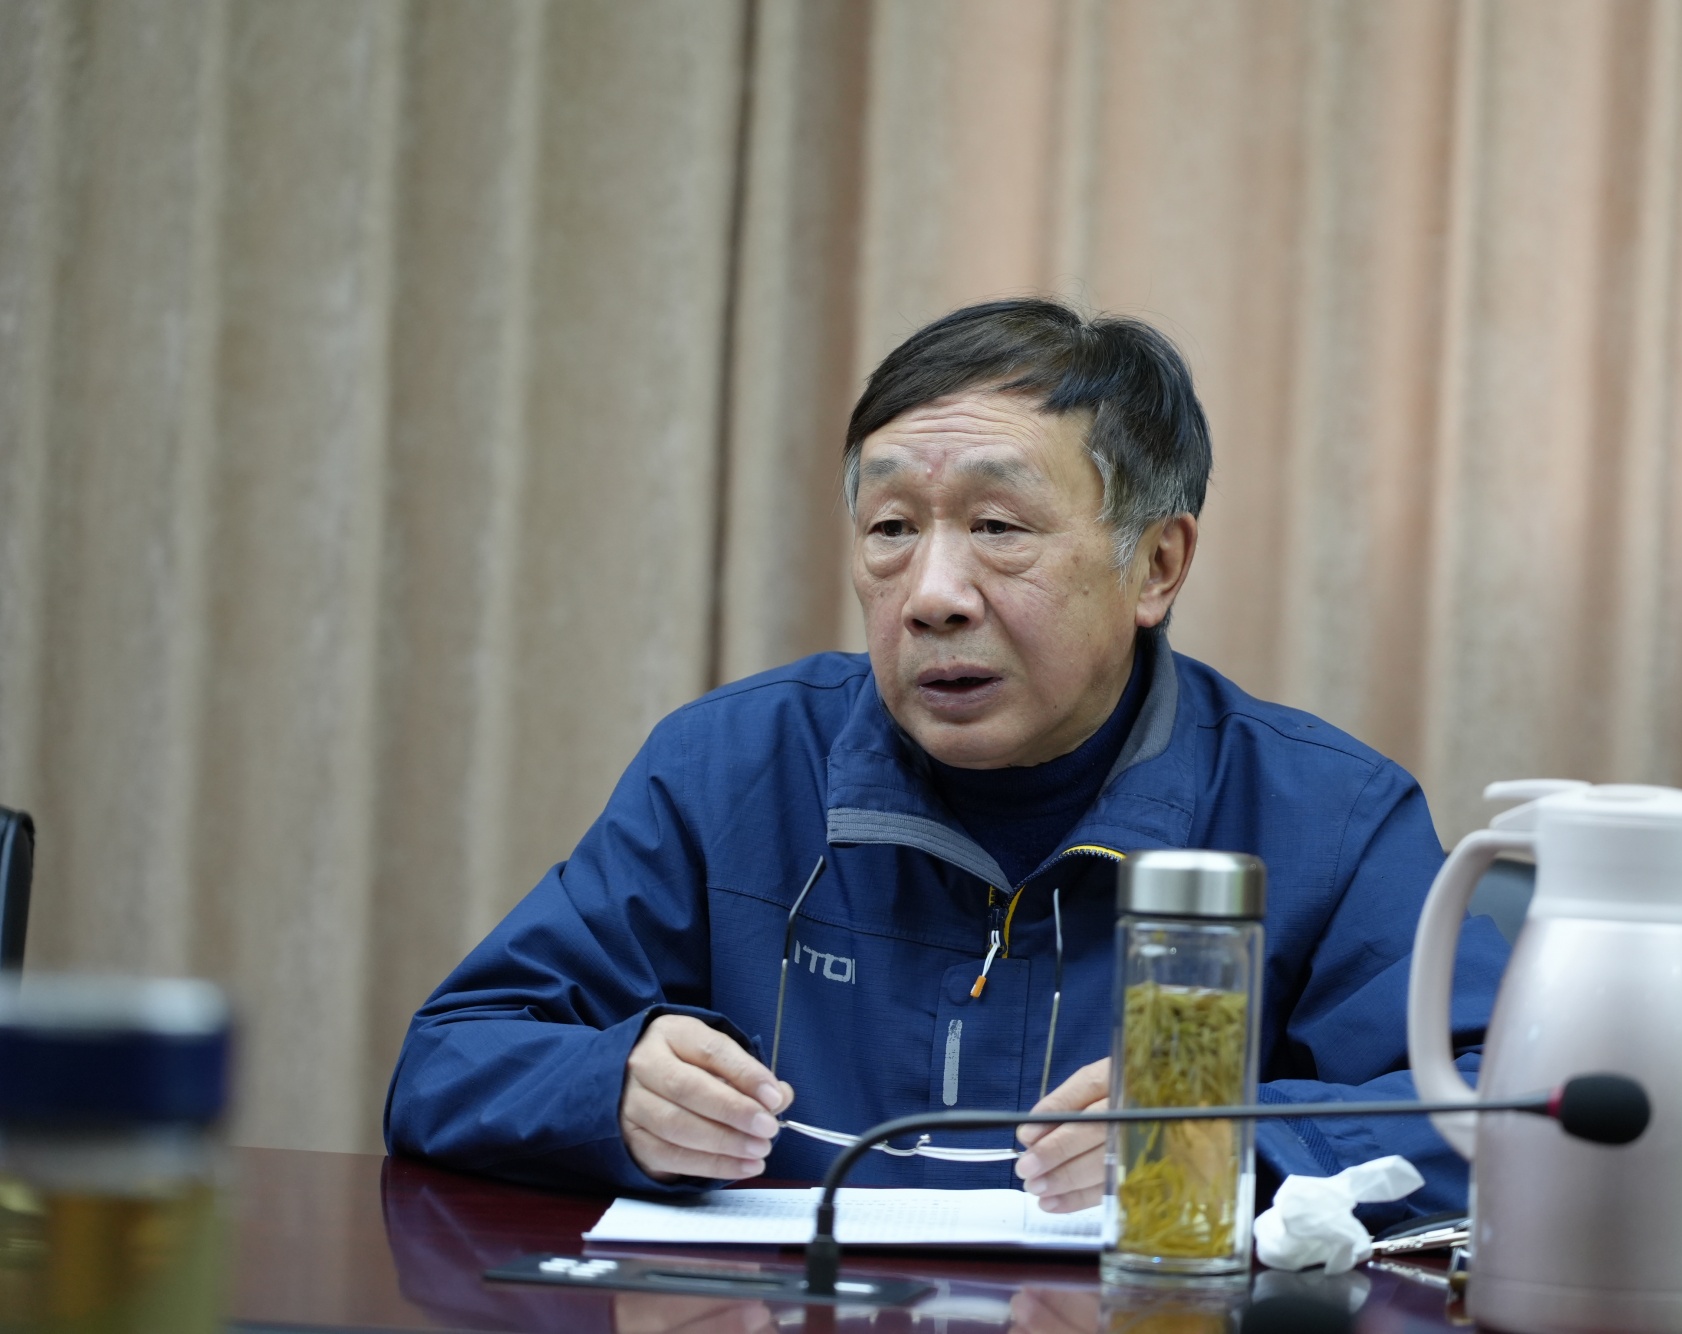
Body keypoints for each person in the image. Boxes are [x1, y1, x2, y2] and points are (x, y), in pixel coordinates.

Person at [384, 299, 1508, 1223]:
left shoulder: (1323, 815)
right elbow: (450, 1060)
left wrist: (1231, 1140)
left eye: (998, 527)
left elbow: (1510, 1114)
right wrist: (610, 1092)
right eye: (890, 529)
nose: (931, 595)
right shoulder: (731, 767)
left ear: (1156, 566)